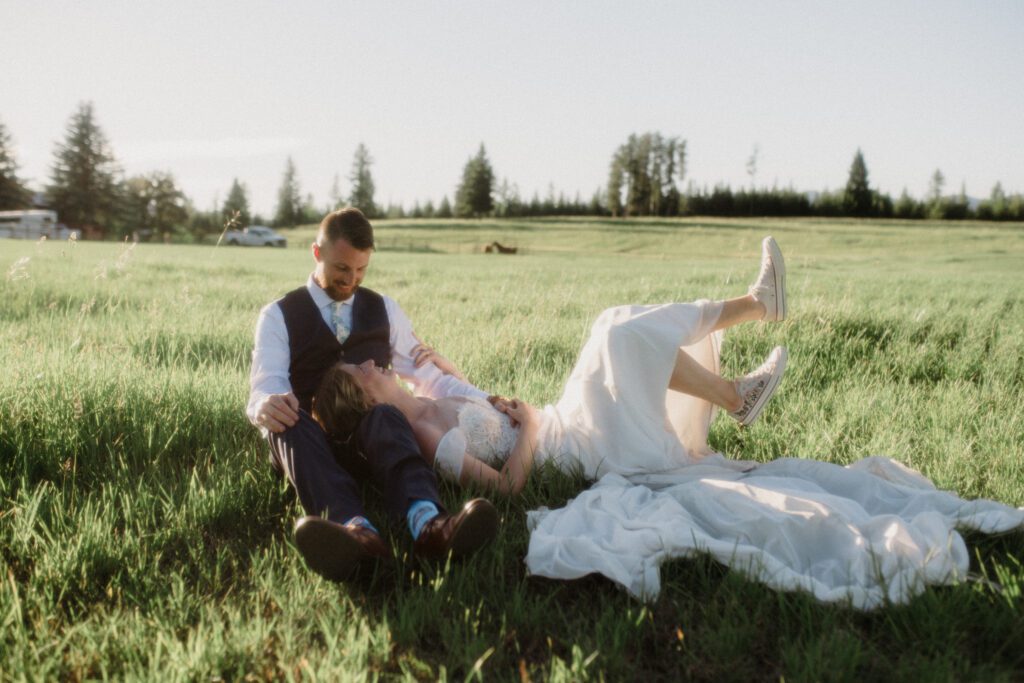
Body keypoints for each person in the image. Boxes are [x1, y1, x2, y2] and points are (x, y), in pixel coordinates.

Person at [312, 236, 789, 495]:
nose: (372, 364)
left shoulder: (427, 402)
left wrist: (450, 368)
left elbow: (482, 406)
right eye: (361, 373)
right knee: (620, 337)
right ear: (366, 399)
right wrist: (531, 427)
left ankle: (736, 388)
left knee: (615, 328)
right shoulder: (429, 439)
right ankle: (755, 313)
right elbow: (506, 487)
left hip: (563, 419)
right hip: (573, 448)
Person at [247, 207, 499, 582]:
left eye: (361, 270)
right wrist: (265, 406)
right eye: (342, 269)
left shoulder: (385, 309)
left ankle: (430, 525)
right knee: (289, 421)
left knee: (388, 414)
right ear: (318, 253)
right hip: (309, 446)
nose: (351, 280)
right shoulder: (279, 314)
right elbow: (266, 383)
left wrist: (487, 400)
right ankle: (355, 532)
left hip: (371, 439)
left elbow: (428, 377)